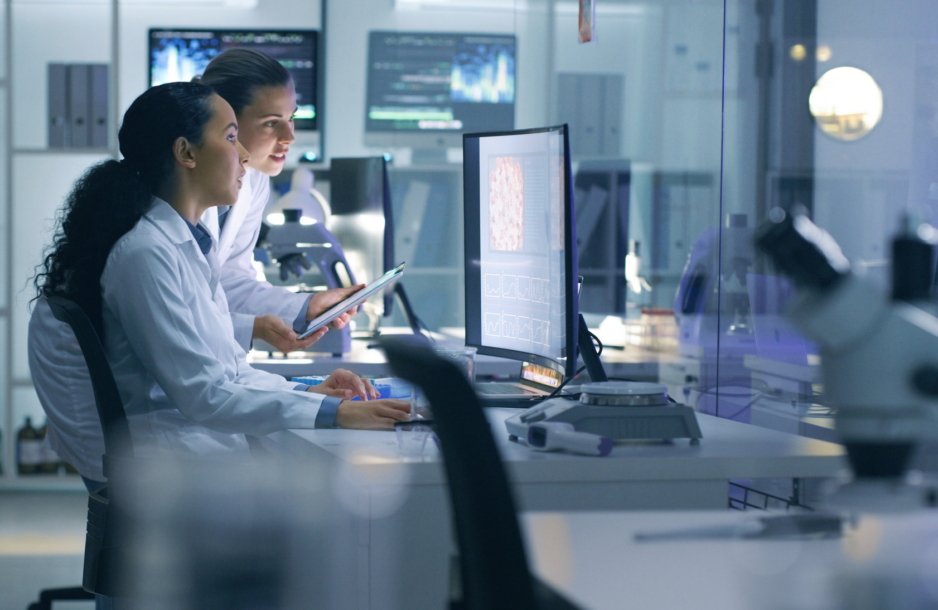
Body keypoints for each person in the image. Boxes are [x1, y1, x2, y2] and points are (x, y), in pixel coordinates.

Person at [29, 82, 409, 485]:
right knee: (350, 493)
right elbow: (204, 394)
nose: (245, 155)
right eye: (231, 138)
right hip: (175, 461)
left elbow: (228, 371)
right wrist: (335, 413)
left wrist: (310, 393)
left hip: (195, 445)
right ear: (185, 153)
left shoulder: (186, 243)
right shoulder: (145, 253)